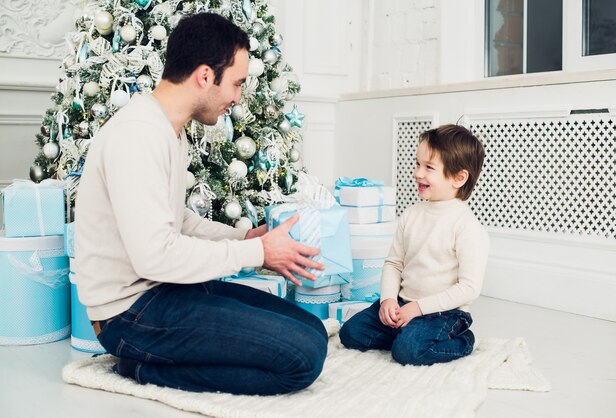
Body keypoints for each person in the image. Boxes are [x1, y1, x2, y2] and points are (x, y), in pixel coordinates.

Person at [74, 13, 328, 395]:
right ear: (205, 75)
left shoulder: (165, 128)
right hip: (129, 314)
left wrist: (246, 235)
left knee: (313, 331)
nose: (238, 97)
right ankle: (141, 368)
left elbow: (178, 222)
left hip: (166, 291)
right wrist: (256, 252)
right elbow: (155, 256)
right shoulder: (138, 136)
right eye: (237, 83)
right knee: (302, 359)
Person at [339, 124, 489, 366]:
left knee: (408, 352)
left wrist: (419, 308)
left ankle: (463, 340)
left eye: (429, 167)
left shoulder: (467, 227)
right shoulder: (411, 215)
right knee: (351, 333)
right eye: (417, 164)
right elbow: (394, 263)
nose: (418, 173)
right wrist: (388, 299)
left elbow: (469, 288)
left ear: (459, 178)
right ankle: (405, 333)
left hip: (443, 313)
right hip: (403, 303)